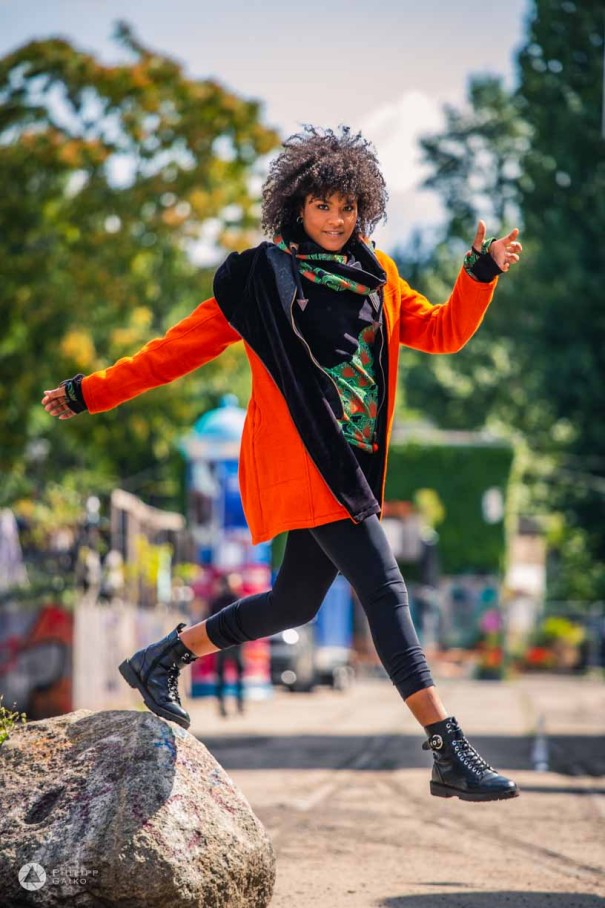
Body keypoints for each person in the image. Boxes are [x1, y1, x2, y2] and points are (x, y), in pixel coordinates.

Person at [42, 125, 523, 802]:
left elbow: (440, 333)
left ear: (364, 210)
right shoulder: (258, 279)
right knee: (385, 592)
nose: (335, 218)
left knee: (295, 601)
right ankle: (447, 748)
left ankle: (163, 656)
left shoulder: (376, 274)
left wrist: (479, 274)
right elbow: (172, 352)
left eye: (348, 206)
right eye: (323, 204)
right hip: (304, 462)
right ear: (296, 205)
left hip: (350, 467)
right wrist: (87, 391)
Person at [207, 573, 246, 717]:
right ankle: (224, 705)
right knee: (223, 676)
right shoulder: (222, 601)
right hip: (225, 643)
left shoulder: (234, 600)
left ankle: (239, 704)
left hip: (230, 643)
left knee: (236, 675)